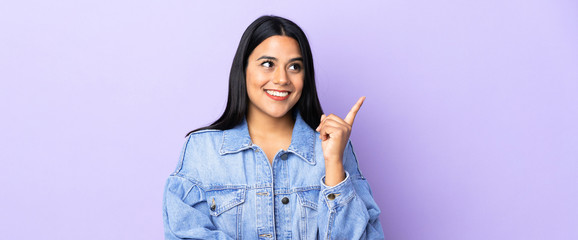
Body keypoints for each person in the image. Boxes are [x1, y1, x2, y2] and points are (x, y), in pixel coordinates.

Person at [163, 15, 384, 240]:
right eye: (268, 64)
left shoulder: (333, 148)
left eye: (294, 67)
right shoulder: (202, 150)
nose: (281, 79)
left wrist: (334, 164)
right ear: (244, 68)